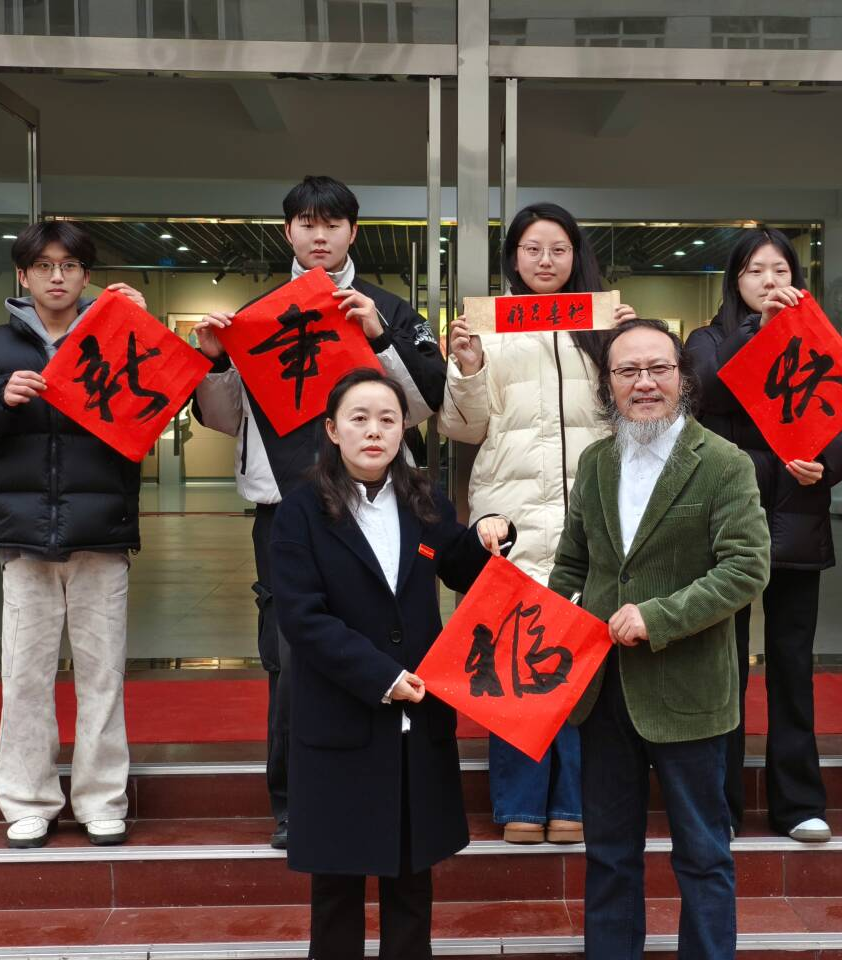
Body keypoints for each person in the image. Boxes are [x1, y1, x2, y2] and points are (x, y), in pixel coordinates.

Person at [190, 175, 446, 849]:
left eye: (332, 223)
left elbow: (425, 407)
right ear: (288, 233)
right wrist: (213, 363)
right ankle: (293, 802)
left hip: (382, 506)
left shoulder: (390, 308)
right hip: (287, 510)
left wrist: (380, 337)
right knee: (291, 656)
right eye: (307, 223)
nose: (320, 235)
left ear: (353, 232)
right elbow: (223, 420)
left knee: (391, 645)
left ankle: (396, 788)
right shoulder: (256, 315)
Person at [271, 368, 513, 960]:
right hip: (341, 718)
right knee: (337, 887)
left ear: (404, 429)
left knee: (411, 882)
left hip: (417, 721)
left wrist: (489, 534)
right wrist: (381, 676)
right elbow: (302, 618)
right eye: (358, 418)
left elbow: (460, 565)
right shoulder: (300, 512)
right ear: (332, 430)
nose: (374, 431)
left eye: (387, 419)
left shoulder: (422, 500)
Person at [548, 318, 771, 960]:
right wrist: (554, 624)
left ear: (682, 378)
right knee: (608, 854)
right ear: (607, 384)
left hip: (688, 690)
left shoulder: (723, 462)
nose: (644, 383)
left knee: (703, 853)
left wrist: (659, 616)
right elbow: (572, 565)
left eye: (658, 369)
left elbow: (746, 567)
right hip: (604, 693)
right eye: (627, 371)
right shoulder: (595, 462)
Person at [0, 221, 149, 849]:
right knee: (24, 677)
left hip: (101, 535)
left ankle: (102, 800)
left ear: (86, 275)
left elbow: (163, 399)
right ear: (23, 276)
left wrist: (139, 330)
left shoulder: (114, 336)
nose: (58, 276)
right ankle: (28, 801)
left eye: (70, 265)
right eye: (45, 266)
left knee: (103, 675)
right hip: (22, 539)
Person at [439, 201, 635, 844]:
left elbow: (637, 417)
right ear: (514, 258)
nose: (545, 260)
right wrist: (468, 368)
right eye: (532, 249)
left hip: (590, 514)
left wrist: (630, 347)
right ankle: (520, 805)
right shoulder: (489, 330)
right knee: (514, 655)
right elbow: (462, 428)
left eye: (558, 248)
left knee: (580, 657)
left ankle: (572, 804)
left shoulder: (603, 326)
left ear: (576, 256)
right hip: (513, 516)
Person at [686, 228, 842, 843]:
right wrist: (758, 332)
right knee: (722, 668)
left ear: (797, 279)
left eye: (781, 271)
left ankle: (799, 803)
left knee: (792, 667)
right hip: (724, 522)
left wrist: (828, 464)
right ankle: (720, 804)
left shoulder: (821, 341)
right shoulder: (707, 339)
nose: (769, 281)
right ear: (735, 281)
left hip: (797, 516)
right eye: (756, 271)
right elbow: (705, 391)